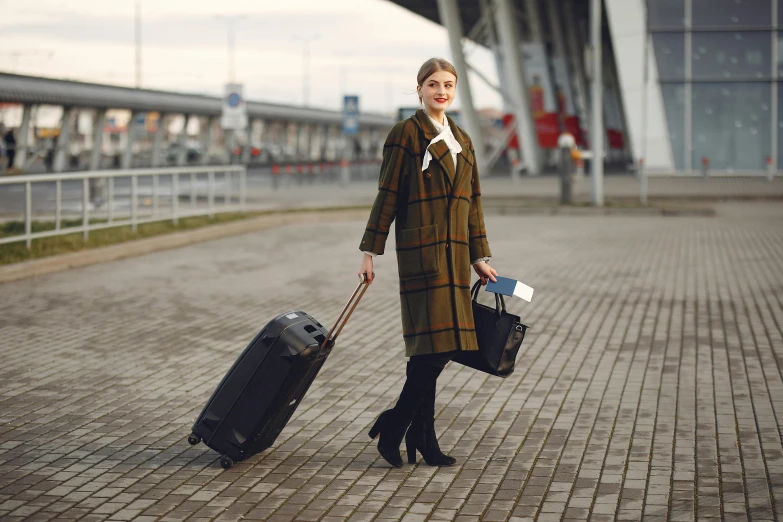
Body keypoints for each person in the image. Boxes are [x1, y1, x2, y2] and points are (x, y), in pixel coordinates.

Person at [358, 58, 498, 468]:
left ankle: (421, 435)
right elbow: (387, 194)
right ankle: (398, 423)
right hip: (423, 253)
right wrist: (369, 251)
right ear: (419, 89)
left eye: (449, 85)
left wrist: (479, 256)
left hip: (456, 257)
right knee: (437, 347)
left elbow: (473, 205)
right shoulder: (406, 134)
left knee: (431, 349)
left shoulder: (463, 139)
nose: (442, 91)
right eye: (433, 84)